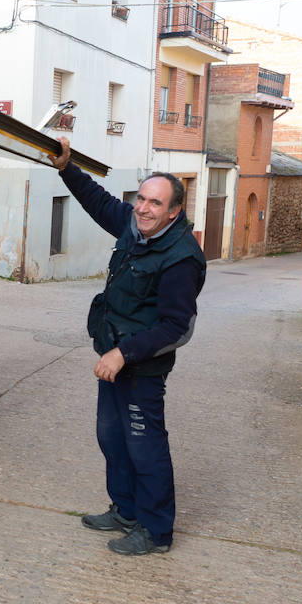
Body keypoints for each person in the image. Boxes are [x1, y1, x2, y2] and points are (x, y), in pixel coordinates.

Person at [51, 137, 206, 555]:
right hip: (113, 358)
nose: (143, 208)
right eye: (141, 199)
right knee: (112, 438)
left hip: (140, 367)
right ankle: (125, 508)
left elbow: (178, 327)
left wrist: (124, 354)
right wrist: (67, 168)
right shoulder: (135, 226)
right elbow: (99, 202)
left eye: (155, 203)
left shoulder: (181, 257)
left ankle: (157, 531)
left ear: (174, 211)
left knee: (145, 445)